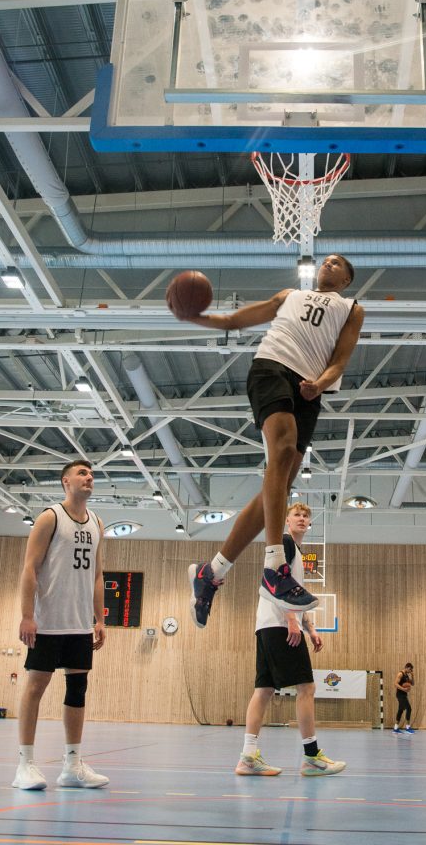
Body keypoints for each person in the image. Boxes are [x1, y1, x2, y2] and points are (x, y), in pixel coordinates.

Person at [183, 255, 364, 628]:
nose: (328, 264)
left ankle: (211, 573)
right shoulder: (289, 295)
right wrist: (196, 316)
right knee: (281, 451)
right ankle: (274, 568)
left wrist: (321, 384)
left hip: (309, 389)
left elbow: (340, 362)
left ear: (346, 280)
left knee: (279, 484)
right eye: (326, 261)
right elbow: (236, 320)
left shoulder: (351, 309)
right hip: (271, 367)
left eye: (337, 264)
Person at [12, 459, 109, 791]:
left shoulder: (97, 522)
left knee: (77, 690)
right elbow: (29, 568)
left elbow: (97, 575)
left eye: (91, 473)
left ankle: (72, 765)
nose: (89, 477)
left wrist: (99, 618)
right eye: (82, 473)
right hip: (49, 621)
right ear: (66, 481)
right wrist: (27, 615)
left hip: (80, 624)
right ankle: (25, 765)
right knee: (36, 688)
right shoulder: (50, 517)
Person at [234, 502, 346, 777]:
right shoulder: (284, 543)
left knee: (264, 690)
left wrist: (311, 628)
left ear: (310, 523)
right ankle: (311, 757)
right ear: (286, 521)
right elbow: (272, 581)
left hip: (267, 626)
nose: (302, 518)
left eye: (306, 515)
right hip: (280, 625)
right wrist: (292, 620)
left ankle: (248, 757)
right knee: (306, 688)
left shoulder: (295, 551)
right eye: (296, 514)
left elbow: (294, 592)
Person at [392, 662, 416, 734]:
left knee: (401, 710)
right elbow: (395, 684)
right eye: (410, 670)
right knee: (409, 708)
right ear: (407, 667)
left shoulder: (407, 675)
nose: (411, 671)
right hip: (400, 694)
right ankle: (407, 727)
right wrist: (403, 689)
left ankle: (395, 728)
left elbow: (413, 684)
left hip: (404, 695)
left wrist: (412, 676)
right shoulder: (400, 674)